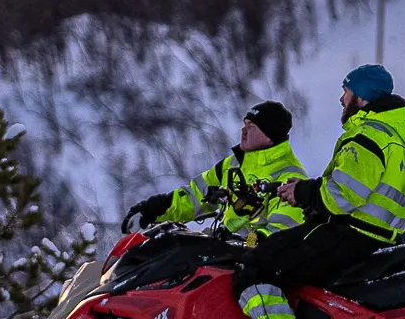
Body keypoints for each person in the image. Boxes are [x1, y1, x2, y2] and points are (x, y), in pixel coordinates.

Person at [233, 64, 405, 319]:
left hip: (346, 235)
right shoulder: (393, 138)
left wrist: (303, 193)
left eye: (345, 92)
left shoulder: (367, 135)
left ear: (361, 96)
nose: (341, 100)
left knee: (252, 268)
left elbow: (341, 195)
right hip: (369, 235)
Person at [123, 101, 308, 240]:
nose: (243, 131)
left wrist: (248, 244)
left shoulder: (290, 176)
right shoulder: (233, 164)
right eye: (244, 125)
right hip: (225, 253)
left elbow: (283, 233)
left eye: (251, 127)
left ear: (270, 136)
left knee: (255, 290)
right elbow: (195, 195)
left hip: (261, 267)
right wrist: (156, 209)